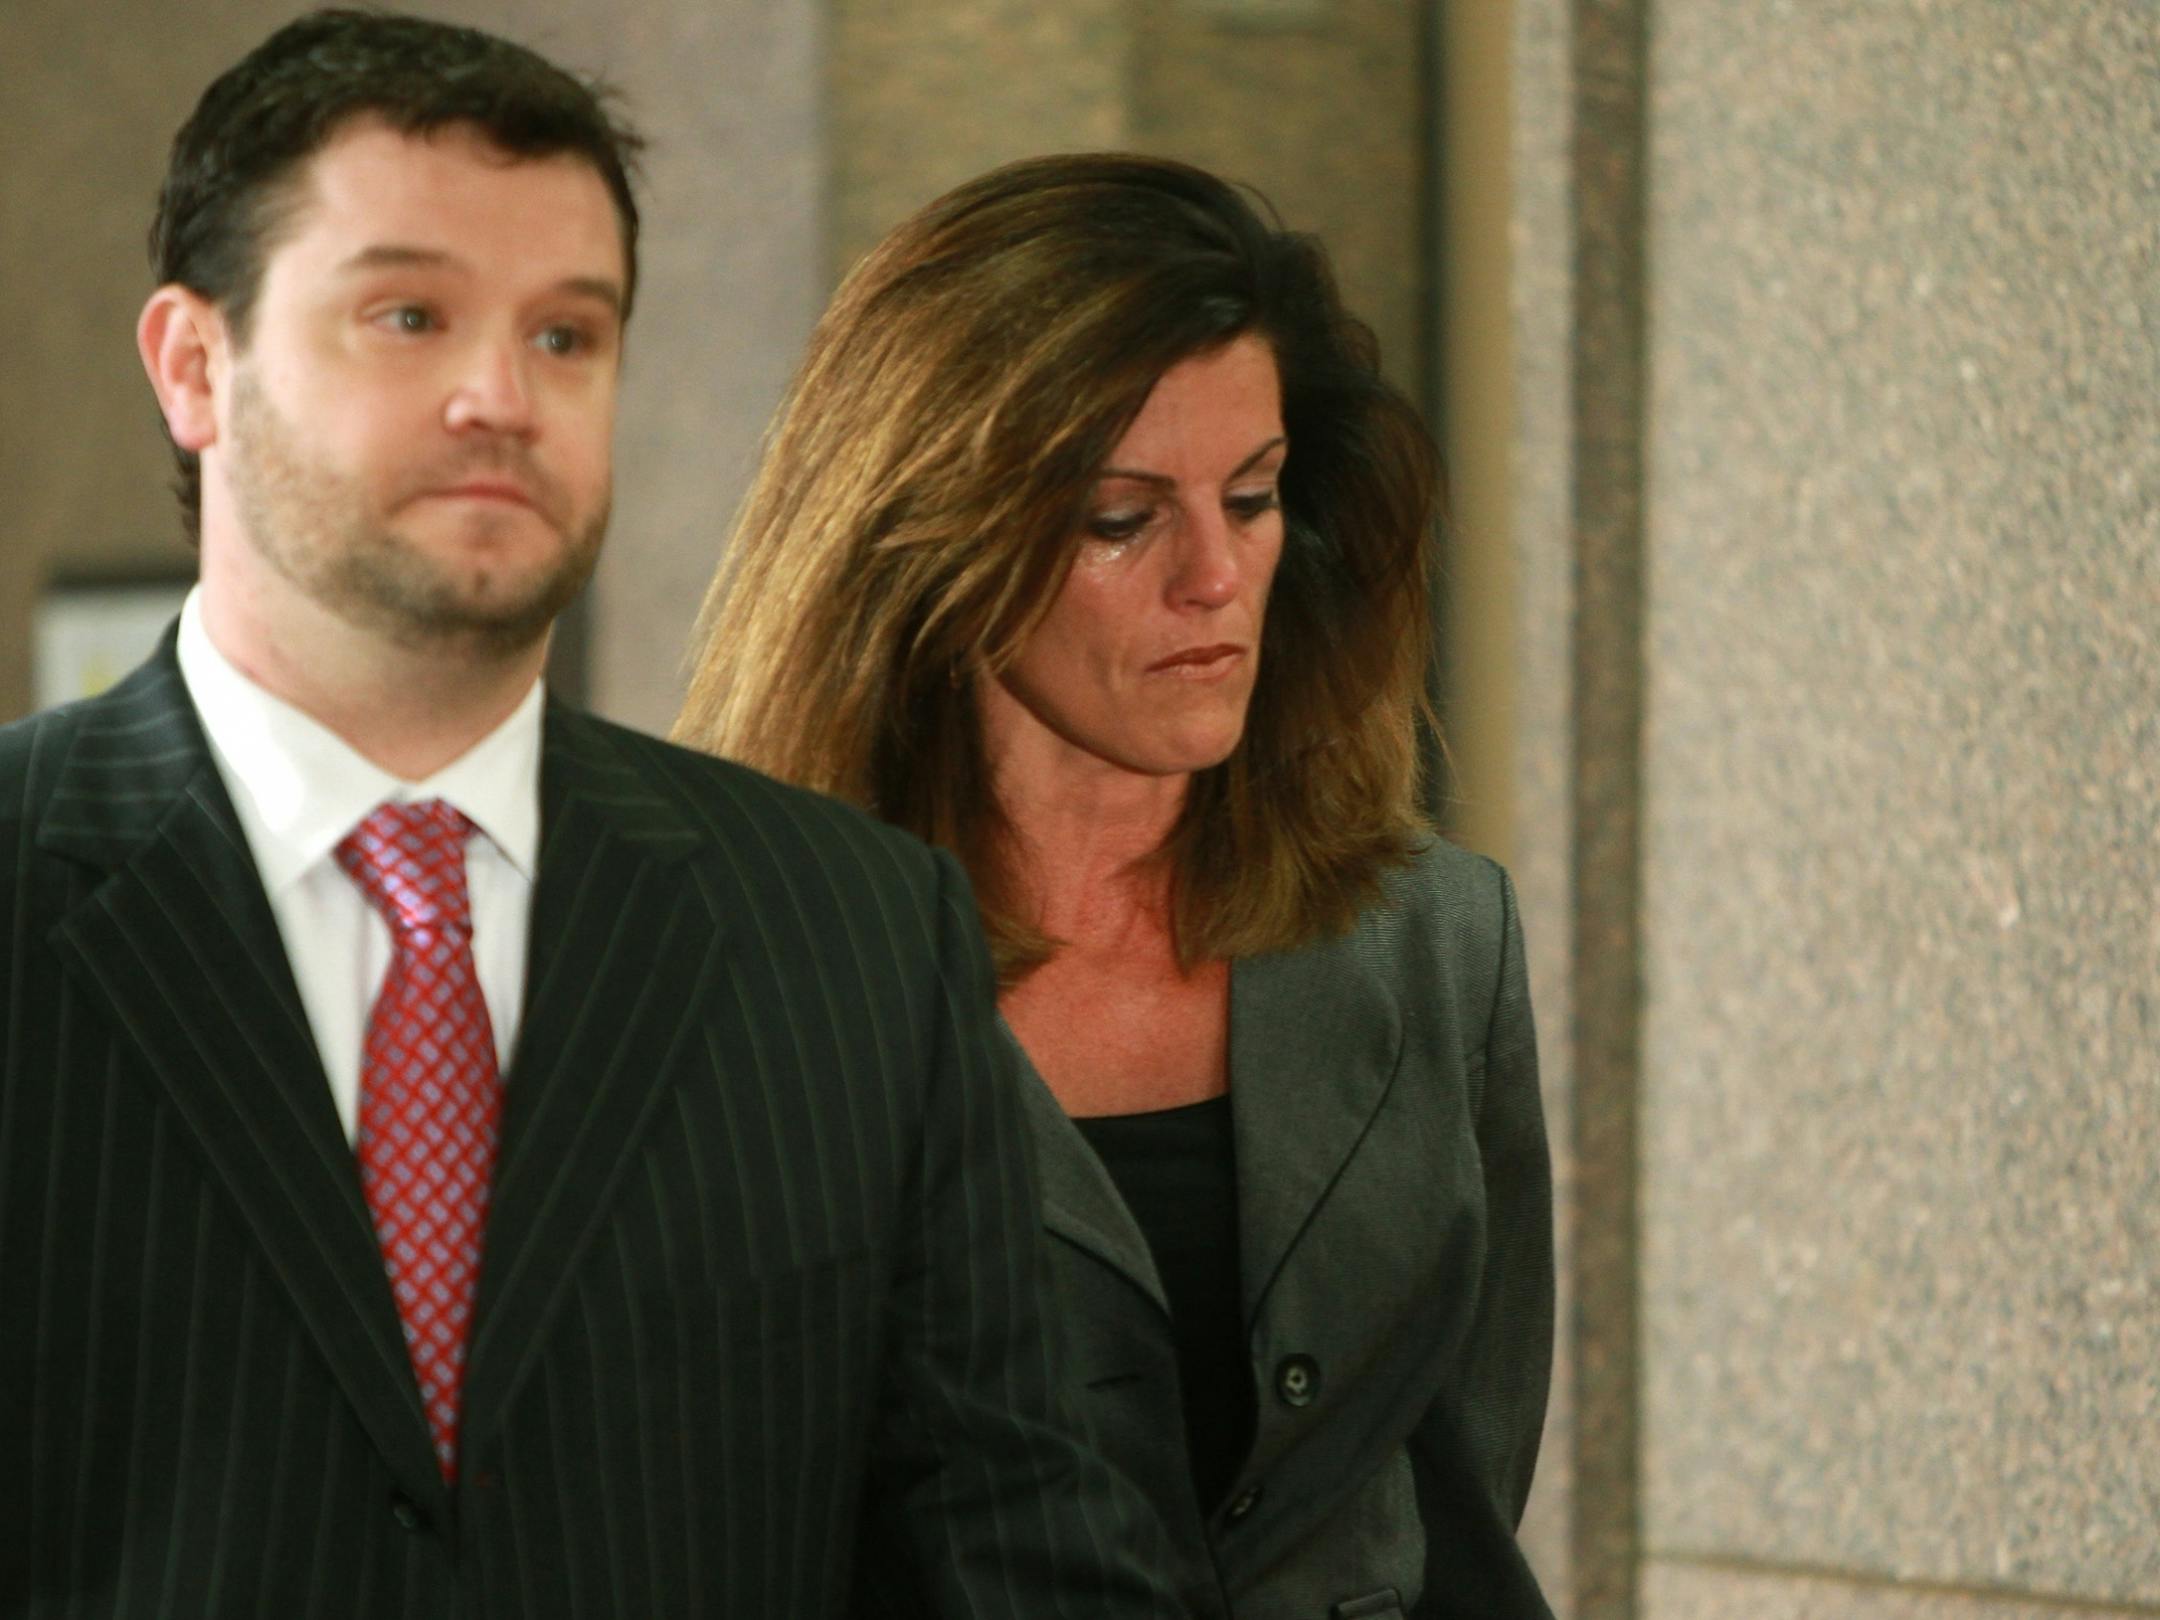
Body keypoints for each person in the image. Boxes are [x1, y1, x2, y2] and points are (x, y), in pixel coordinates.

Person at [0, 18, 1187, 1616]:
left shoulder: (849, 938)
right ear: (194, 366)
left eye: (568, 335)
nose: (500, 395)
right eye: (408, 316)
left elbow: (1025, 1565)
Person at [675, 152, 1556, 1620]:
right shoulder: (745, 982)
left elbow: (1461, 1510)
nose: (1216, 574)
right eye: (1120, 518)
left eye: (1256, 495)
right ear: (930, 538)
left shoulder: (1435, 941)